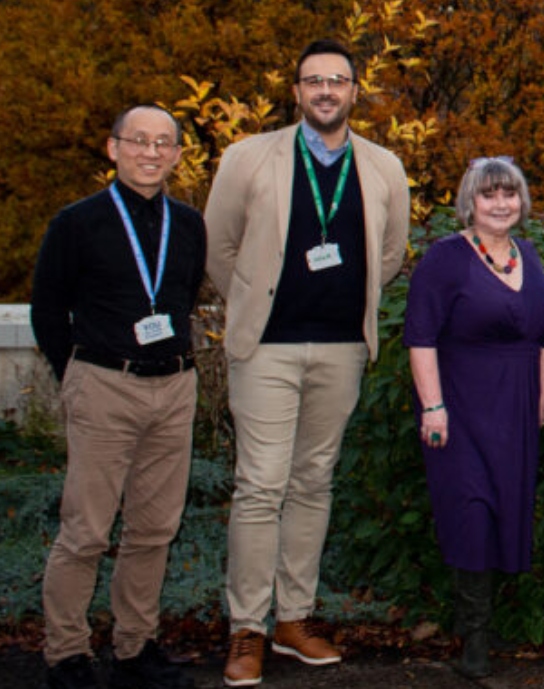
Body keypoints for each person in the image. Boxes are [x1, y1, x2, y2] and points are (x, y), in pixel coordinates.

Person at [204, 39, 411, 687]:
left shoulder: (383, 167)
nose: (326, 90)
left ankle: (294, 616)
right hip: (266, 346)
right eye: (313, 80)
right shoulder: (248, 158)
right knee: (261, 483)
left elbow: (393, 251)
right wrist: (252, 300)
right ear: (295, 91)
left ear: (355, 91)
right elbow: (218, 248)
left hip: (342, 347)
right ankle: (247, 625)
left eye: (338, 80)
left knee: (313, 480)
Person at [31, 105, 205, 689]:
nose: (150, 152)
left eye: (163, 143)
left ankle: (135, 648)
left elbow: (183, 295)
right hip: (105, 384)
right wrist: (77, 377)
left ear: (178, 156)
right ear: (113, 148)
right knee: (86, 530)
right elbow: (48, 311)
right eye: (138, 141)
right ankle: (67, 653)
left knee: (154, 528)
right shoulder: (77, 222)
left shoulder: (188, 224)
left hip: (174, 387)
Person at [404, 157, 544, 679]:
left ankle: (492, 625)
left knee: (508, 512)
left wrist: (542, 400)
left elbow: (541, 337)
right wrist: (433, 407)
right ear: (470, 201)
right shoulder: (446, 259)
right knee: (471, 513)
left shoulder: (528, 255)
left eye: (509, 194)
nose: (500, 204)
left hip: (516, 410)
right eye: (489, 195)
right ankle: (474, 637)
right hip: (462, 409)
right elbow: (420, 336)